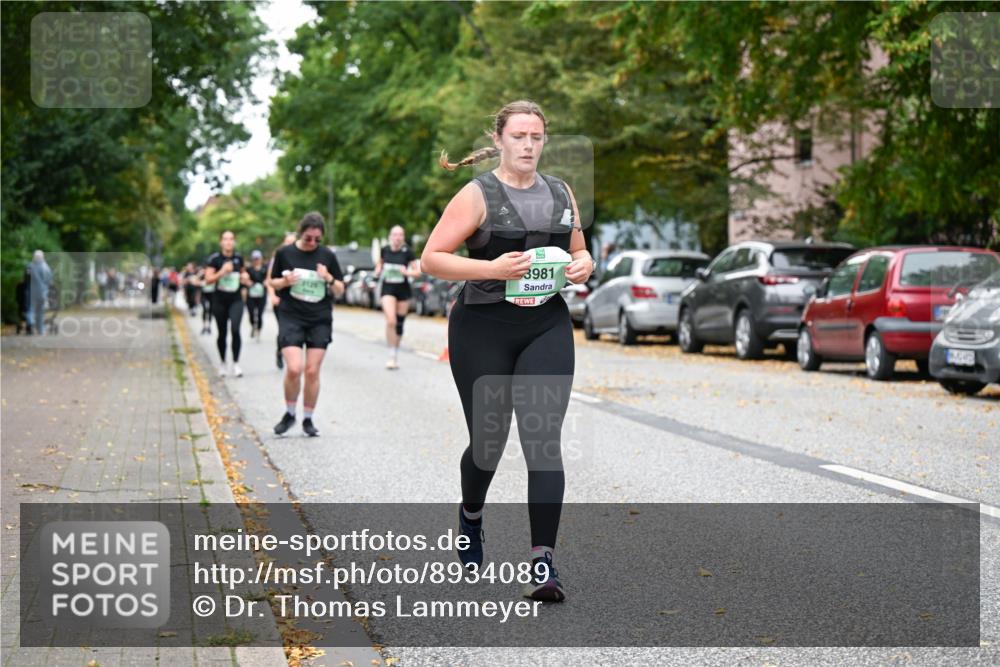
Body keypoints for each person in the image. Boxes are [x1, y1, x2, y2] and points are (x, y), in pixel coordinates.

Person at [422, 100, 594, 602]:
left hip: (545, 323)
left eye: (536, 137)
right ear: (499, 140)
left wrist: (584, 264)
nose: (528, 145)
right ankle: (471, 515)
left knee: (543, 439)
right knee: (488, 443)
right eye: (518, 136)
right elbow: (432, 258)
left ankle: (543, 563)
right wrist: (493, 269)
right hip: (482, 327)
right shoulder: (477, 195)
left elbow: (578, 249)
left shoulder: (561, 192)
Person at [267, 213, 344, 437]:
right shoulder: (285, 253)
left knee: (311, 371)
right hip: (291, 315)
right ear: (301, 232)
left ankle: (308, 419)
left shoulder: (327, 255)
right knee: (294, 368)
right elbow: (272, 281)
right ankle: (290, 413)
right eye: (309, 238)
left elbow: (340, 289)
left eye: (317, 239)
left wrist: (328, 278)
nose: (313, 243)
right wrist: (285, 281)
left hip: (319, 317)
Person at [204, 231, 250, 377]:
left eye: (231, 239)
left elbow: (244, 275)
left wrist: (244, 277)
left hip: (236, 299)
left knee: (235, 330)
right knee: (222, 333)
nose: (228, 242)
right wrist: (222, 272)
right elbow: (208, 279)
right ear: (221, 242)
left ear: (234, 242)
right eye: (225, 239)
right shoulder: (215, 259)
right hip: (219, 300)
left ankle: (236, 363)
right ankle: (223, 363)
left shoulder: (238, 258)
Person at [375, 225, 421, 369]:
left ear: (403, 237)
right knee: (391, 321)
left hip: (403, 290)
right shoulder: (385, 250)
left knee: (399, 324)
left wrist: (407, 273)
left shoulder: (408, 252)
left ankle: (394, 354)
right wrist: (378, 269)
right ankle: (390, 354)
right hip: (387, 289)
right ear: (390, 236)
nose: (397, 237)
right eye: (395, 234)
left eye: (400, 235)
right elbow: (380, 263)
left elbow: (417, 272)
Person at [267, 232, 298, 369]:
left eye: (293, 242)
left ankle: (293, 355)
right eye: (288, 242)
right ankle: (280, 352)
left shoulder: (301, 257)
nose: (290, 245)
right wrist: (273, 296)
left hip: (297, 301)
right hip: (281, 300)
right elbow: (269, 280)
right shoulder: (278, 257)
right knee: (284, 329)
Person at [28, 250, 54, 335]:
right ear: (42, 257)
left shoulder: (30, 266)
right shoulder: (45, 267)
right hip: (43, 292)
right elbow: (50, 281)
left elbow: (25, 279)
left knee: (31, 309)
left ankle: (31, 322)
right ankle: (41, 330)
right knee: (40, 311)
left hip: (31, 291)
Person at [246, 250, 268, 340]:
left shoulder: (265, 269)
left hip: (262, 295)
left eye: (258, 258)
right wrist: (248, 282)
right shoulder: (249, 269)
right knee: (251, 313)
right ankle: (253, 326)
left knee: (259, 314)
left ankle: (258, 331)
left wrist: (266, 282)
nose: (256, 260)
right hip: (251, 295)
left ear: (261, 259)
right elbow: (244, 280)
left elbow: (269, 279)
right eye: (254, 259)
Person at [198, 264, 214, 335]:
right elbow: (195, 281)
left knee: (210, 310)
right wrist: (199, 274)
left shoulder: (214, 274)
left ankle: (209, 326)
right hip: (204, 294)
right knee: (204, 309)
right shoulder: (202, 275)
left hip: (212, 294)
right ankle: (204, 326)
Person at [15, 268, 32, 334]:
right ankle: (28, 327)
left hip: (23, 305)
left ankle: (27, 327)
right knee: (28, 312)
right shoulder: (22, 285)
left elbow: (17, 297)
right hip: (25, 305)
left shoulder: (20, 285)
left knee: (24, 313)